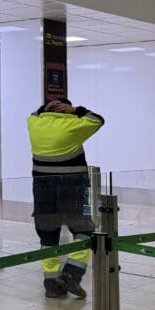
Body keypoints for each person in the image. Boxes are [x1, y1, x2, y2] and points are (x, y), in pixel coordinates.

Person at [27, 98, 105, 298]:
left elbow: (34, 113)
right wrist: (75, 110)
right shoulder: (73, 124)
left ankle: (52, 284)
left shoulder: (34, 123)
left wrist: (45, 108)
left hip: (42, 188)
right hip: (75, 187)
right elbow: (97, 120)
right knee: (84, 228)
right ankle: (72, 272)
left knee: (47, 232)